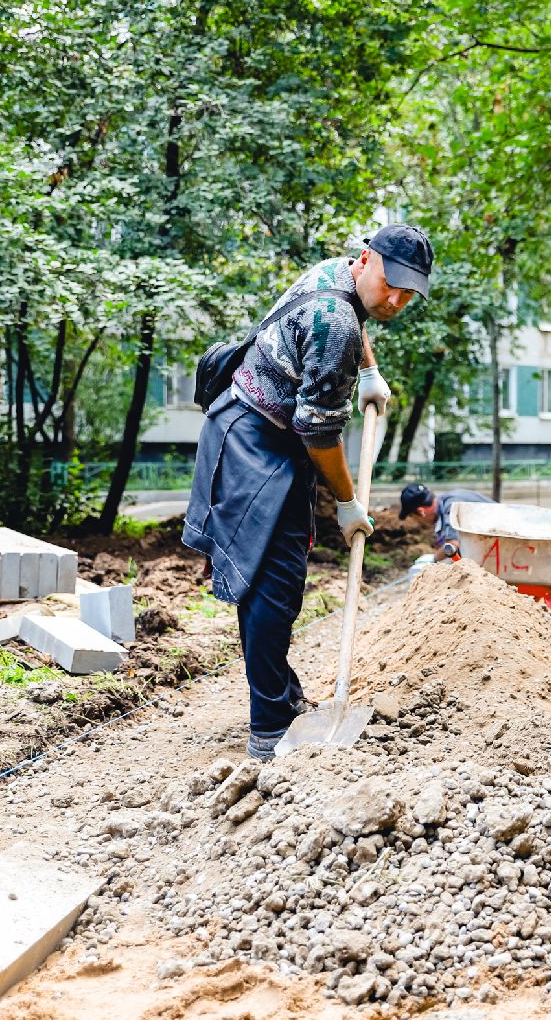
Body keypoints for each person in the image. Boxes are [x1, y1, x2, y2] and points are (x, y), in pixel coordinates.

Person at [183, 223, 435, 760]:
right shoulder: (337, 323)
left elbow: (350, 316)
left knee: (282, 579)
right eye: (390, 283)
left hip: (269, 433)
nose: (394, 299)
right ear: (367, 259)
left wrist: (369, 370)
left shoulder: (336, 277)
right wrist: (348, 502)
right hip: (253, 441)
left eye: (409, 293)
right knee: (270, 585)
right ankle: (270, 725)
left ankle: (281, 695)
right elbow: (318, 432)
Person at [399, 482, 492, 557]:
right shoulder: (447, 501)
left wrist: (433, 560)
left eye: (413, 517)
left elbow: (452, 545)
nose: (418, 522)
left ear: (421, 512)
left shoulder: (451, 505)